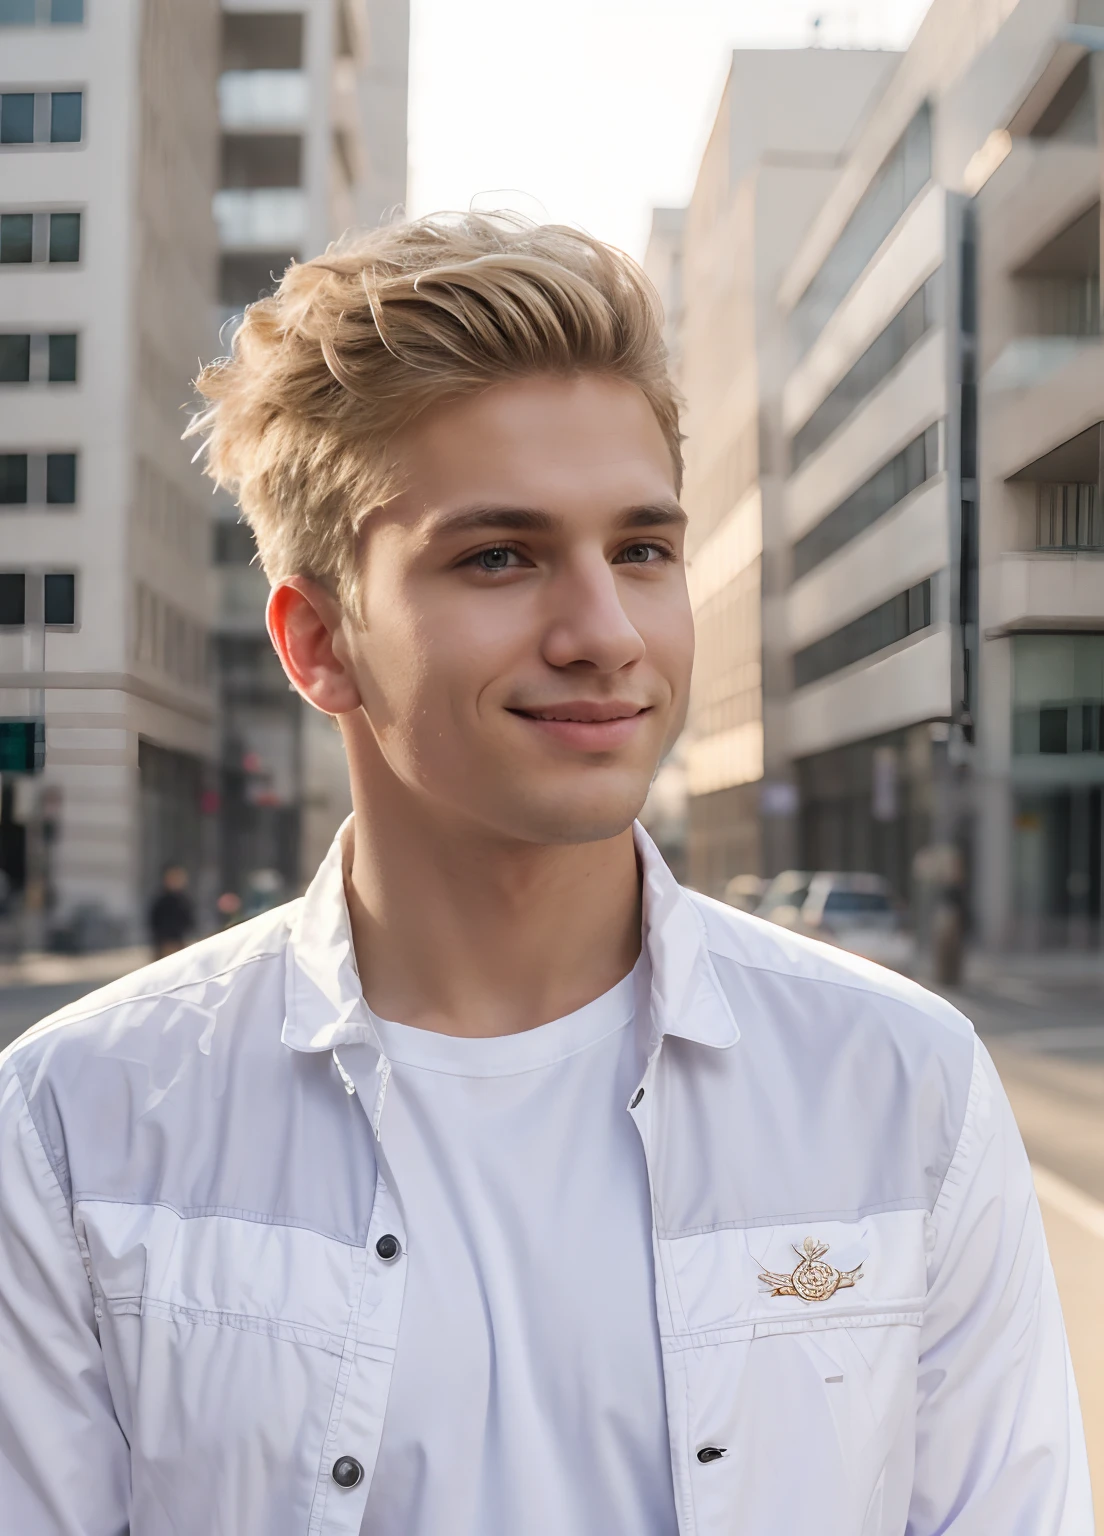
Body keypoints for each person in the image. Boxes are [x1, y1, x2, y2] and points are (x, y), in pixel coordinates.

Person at [0, 215, 1091, 1535]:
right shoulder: (75, 1124)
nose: (606, 634)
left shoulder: (901, 1087)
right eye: (499, 557)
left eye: (642, 550)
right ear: (318, 642)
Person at [146, 862, 195, 959]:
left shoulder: (184, 900)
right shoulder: (161, 900)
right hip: (164, 943)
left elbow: (189, 921)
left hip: (179, 941)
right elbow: (154, 922)